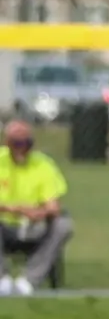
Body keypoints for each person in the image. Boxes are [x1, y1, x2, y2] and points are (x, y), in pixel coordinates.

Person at [0, 120, 73, 296]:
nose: (23, 148)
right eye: (17, 143)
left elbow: (53, 206)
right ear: (7, 143)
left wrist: (38, 213)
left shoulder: (43, 165)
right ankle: (3, 281)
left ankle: (28, 282)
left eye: (27, 143)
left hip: (33, 226)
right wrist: (15, 209)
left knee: (63, 225)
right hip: (4, 225)